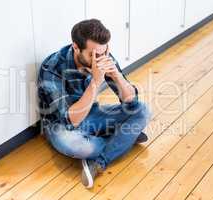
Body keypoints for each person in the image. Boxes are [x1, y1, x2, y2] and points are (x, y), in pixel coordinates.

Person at [37, 19, 152, 188]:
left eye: (103, 52)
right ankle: (124, 139)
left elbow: (131, 102)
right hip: (61, 125)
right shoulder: (52, 67)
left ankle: (100, 162)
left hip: (92, 115)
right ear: (76, 47)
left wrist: (116, 76)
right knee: (80, 147)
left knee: (143, 111)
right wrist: (96, 82)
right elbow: (71, 121)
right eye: (93, 55)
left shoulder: (101, 54)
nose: (98, 59)